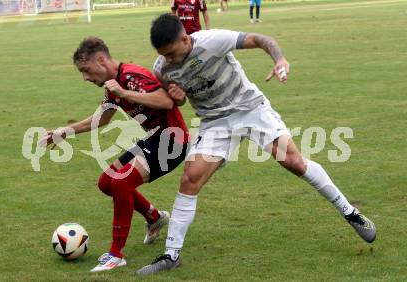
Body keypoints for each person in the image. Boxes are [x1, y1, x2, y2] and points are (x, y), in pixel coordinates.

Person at [136, 13, 377, 275]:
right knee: (189, 179)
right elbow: (178, 100)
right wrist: (179, 96)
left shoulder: (213, 40)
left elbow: (261, 39)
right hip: (214, 121)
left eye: (171, 53)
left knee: (293, 162)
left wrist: (280, 59)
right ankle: (172, 255)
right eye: (164, 55)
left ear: (185, 38)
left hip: (250, 108)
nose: (168, 59)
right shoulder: (162, 68)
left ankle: (351, 212)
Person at [40, 36, 189, 272]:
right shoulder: (114, 86)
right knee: (106, 182)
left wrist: (124, 92)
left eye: (86, 70)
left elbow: (165, 101)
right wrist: (64, 132)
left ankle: (115, 254)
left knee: (120, 183)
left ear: (101, 60)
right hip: (154, 139)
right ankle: (154, 217)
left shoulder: (131, 76)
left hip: (172, 141)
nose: (86, 78)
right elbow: (101, 119)